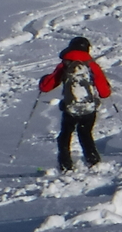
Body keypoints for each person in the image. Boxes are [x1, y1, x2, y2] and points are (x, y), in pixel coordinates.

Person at [38, 35, 111, 171]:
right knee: (85, 134)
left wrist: (43, 80)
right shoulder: (91, 65)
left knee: (65, 135)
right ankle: (93, 162)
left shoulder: (64, 65)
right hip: (88, 108)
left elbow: (46, 87)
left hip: (70, 108)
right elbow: (104, 93)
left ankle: (66, 166)